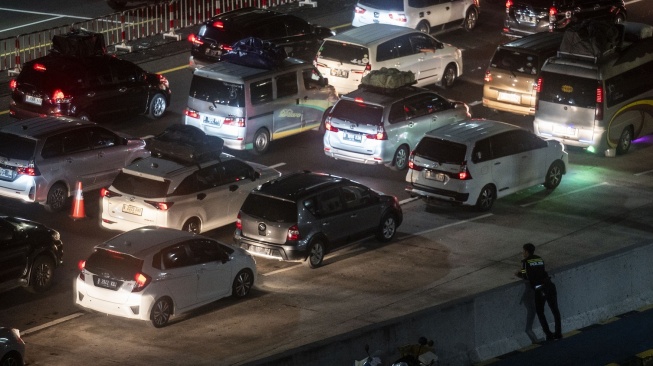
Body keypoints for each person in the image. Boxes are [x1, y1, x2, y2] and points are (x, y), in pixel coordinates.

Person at [515, 243, 562, 341]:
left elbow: (526, 276)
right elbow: (540, 271)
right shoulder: (539, 258)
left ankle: (549, 334)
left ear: (526, 251)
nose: (522, 253)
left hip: (540, 288)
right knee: (555, 310)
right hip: (550, 285)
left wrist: (518, 273)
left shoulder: (526, 261)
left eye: (523, 251)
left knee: (540, 312)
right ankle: (558, 333)